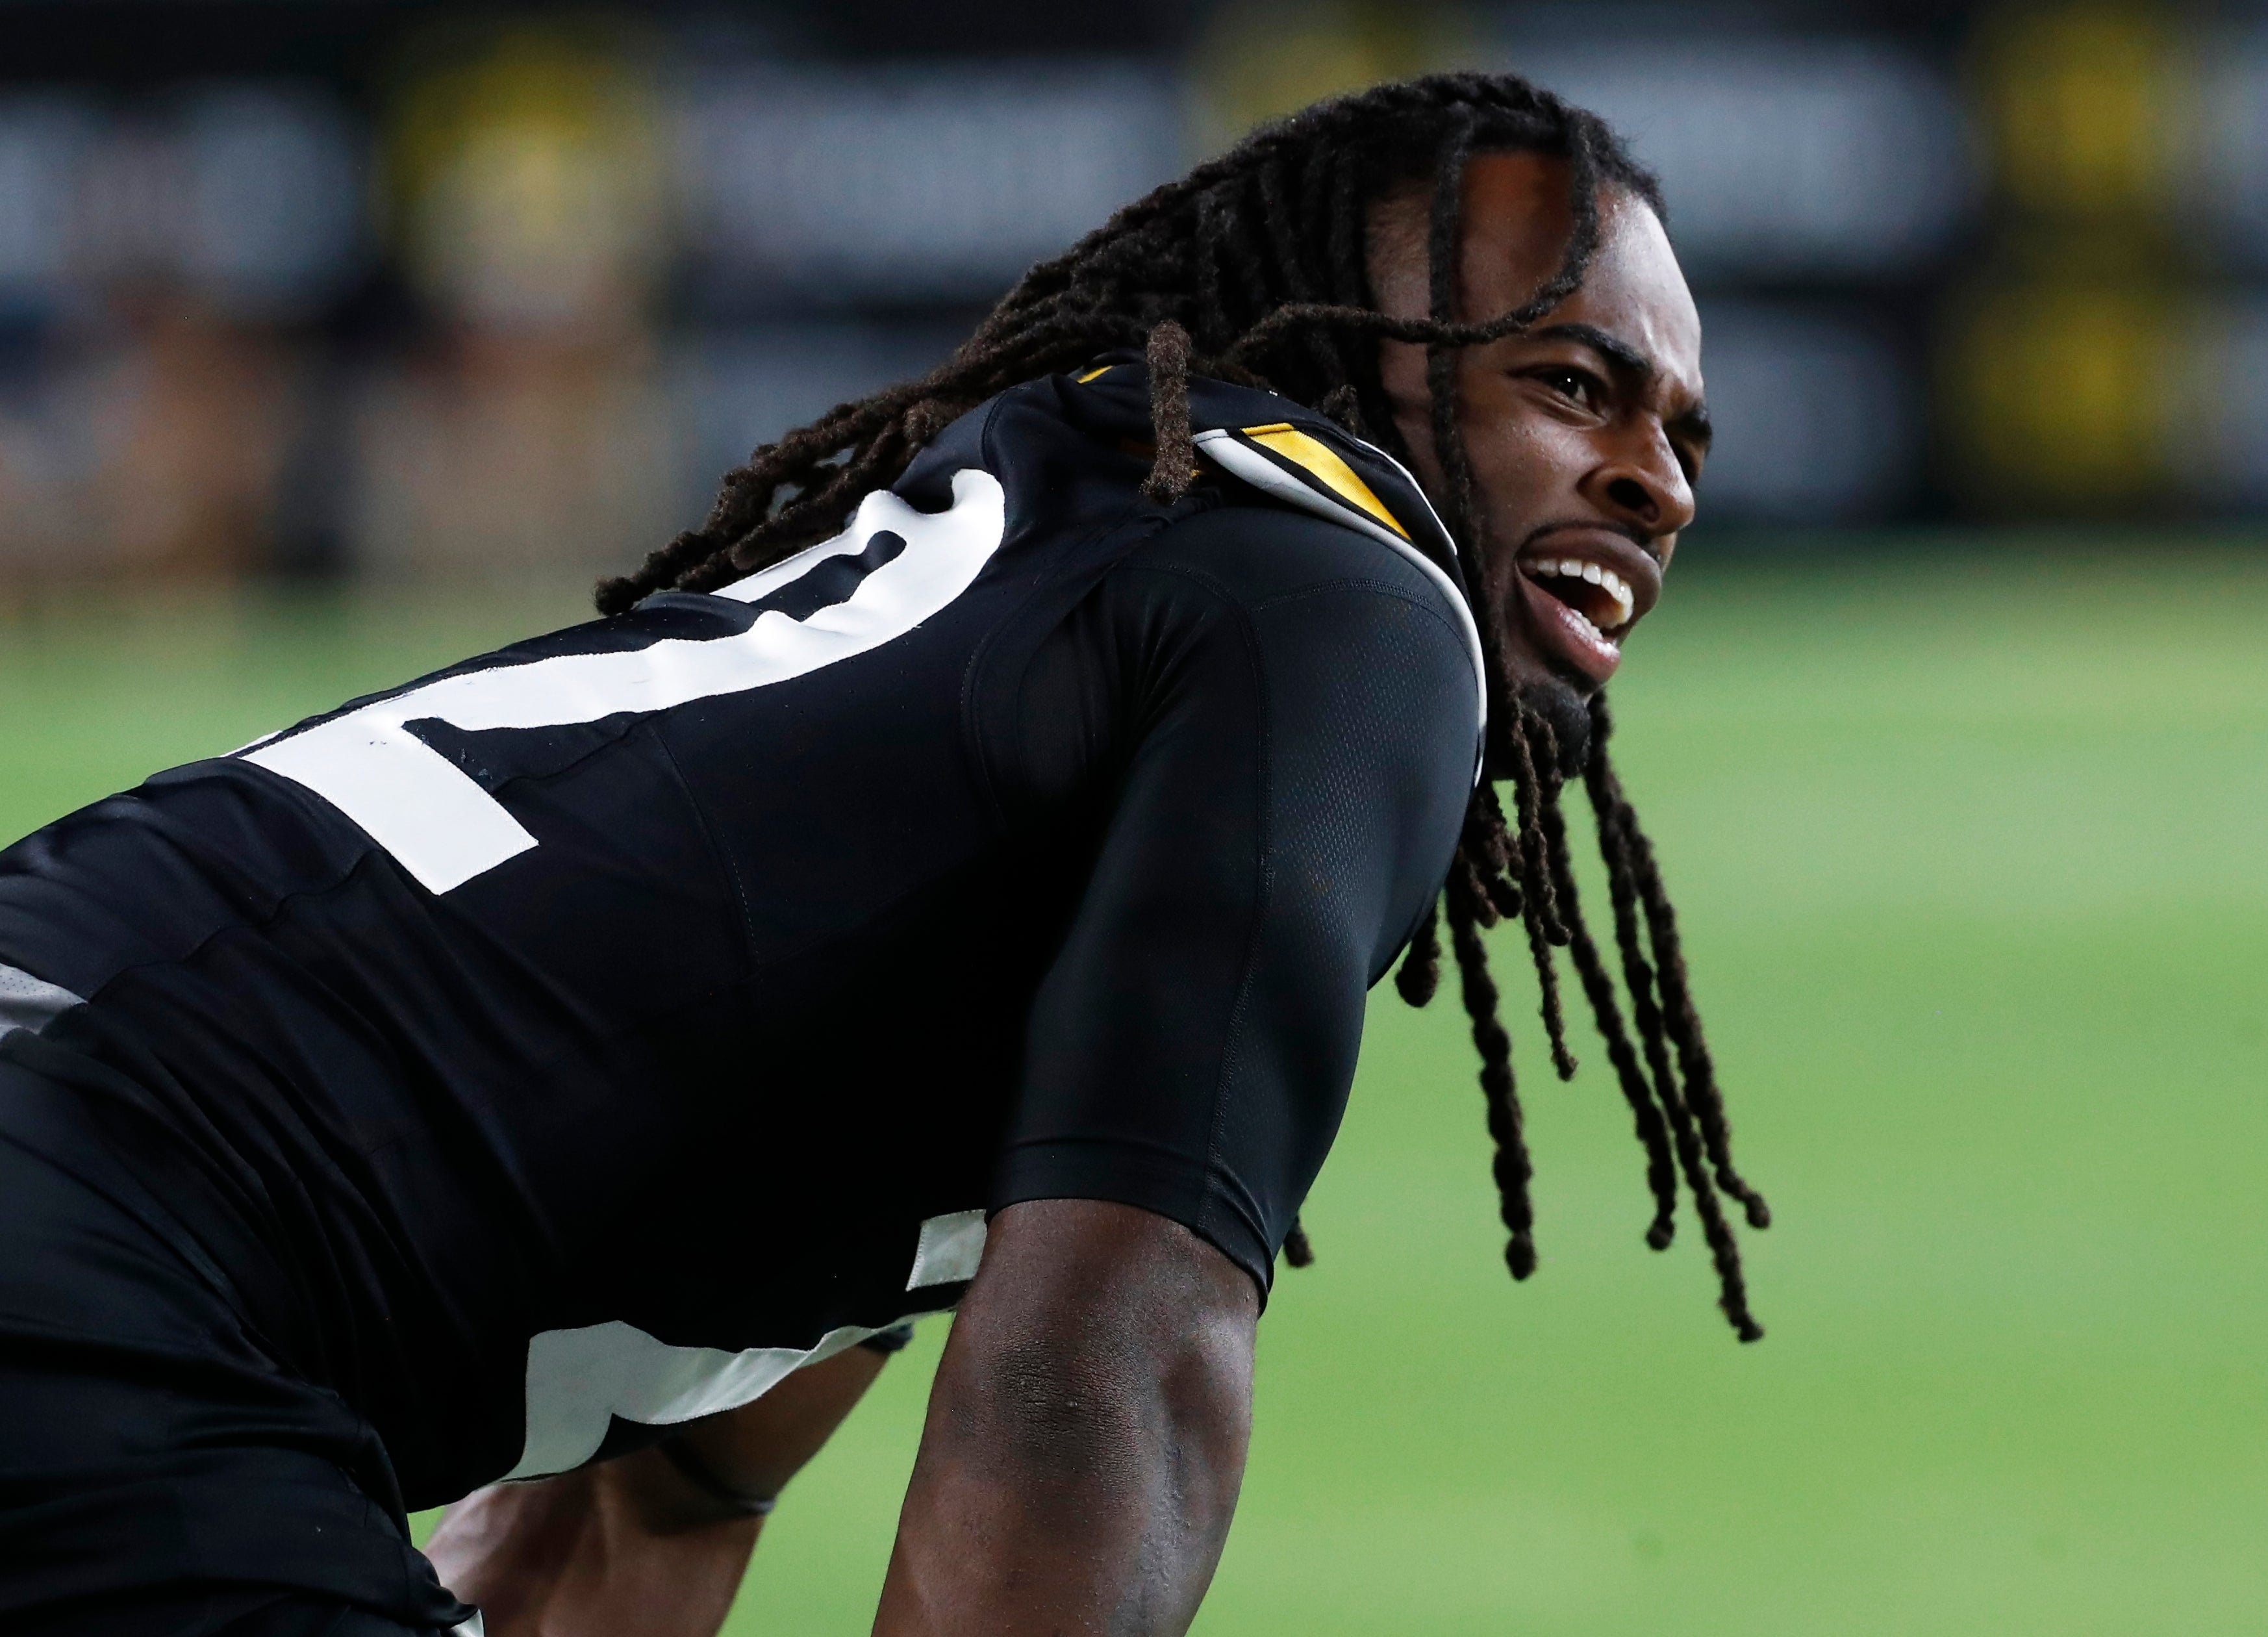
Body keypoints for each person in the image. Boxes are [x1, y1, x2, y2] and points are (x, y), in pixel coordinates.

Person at [0, 73, 1767, 1637]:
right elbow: (1117, 1353)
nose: (1653, 480)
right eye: (1571, 384)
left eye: (1681, 435)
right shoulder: (1349, 593)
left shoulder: (969, 751)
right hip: (101, 1251)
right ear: (1341, 354)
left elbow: (631, 1513)